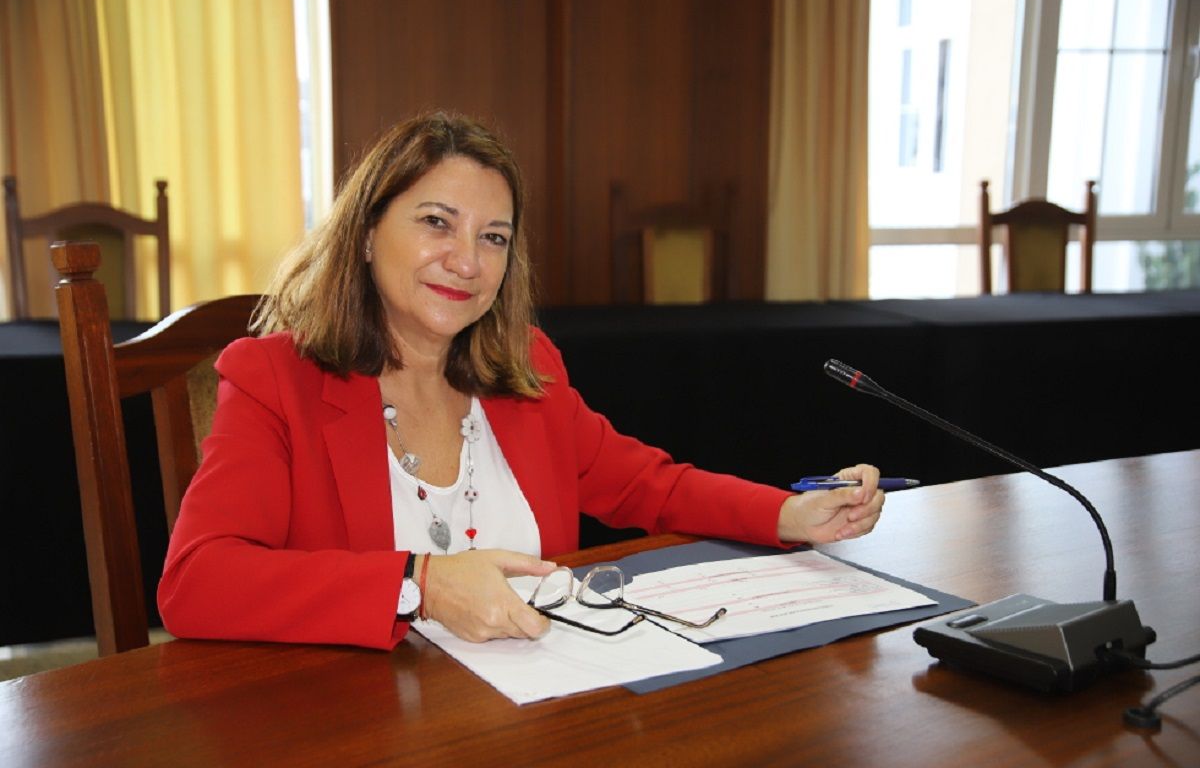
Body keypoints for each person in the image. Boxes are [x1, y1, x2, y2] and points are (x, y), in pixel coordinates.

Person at [158, 111, 886, 649]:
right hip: (360, 726)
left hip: (538, 712)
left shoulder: (525, 368)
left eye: (493, 238)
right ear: (368, 232)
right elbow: (196, 583)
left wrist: (785, 515)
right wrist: (421, 583)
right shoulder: (273, 379)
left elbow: (647, 486)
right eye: (437, 223)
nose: (467, 261)